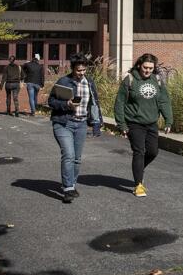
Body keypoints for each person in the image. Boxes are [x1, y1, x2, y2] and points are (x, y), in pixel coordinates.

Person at [114, 53, 173, 198]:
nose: (147, 71)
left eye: (151, 68)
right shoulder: (130, 79)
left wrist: (168, 120)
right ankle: (138, 185)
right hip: (134, 123)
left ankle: (139, 169)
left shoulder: (157, 80)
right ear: (139, 65)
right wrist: (122, 124)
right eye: (145, 67)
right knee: (139, 151)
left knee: (153, 152)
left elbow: (164, 101)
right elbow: (120, 103)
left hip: (151, 122)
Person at [48, 55, 102, 203]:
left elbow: (94, 103)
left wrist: (96, 123)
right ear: (72, 69)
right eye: (79, 70)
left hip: (81, 124)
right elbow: (51, 101)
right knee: (69, 155)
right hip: (63, 123)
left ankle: (71, 184)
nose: (82, 73)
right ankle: (67, 189)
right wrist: (67, 104)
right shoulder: (63, 81)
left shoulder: (89, 82)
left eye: (84, 70)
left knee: (77, 159)